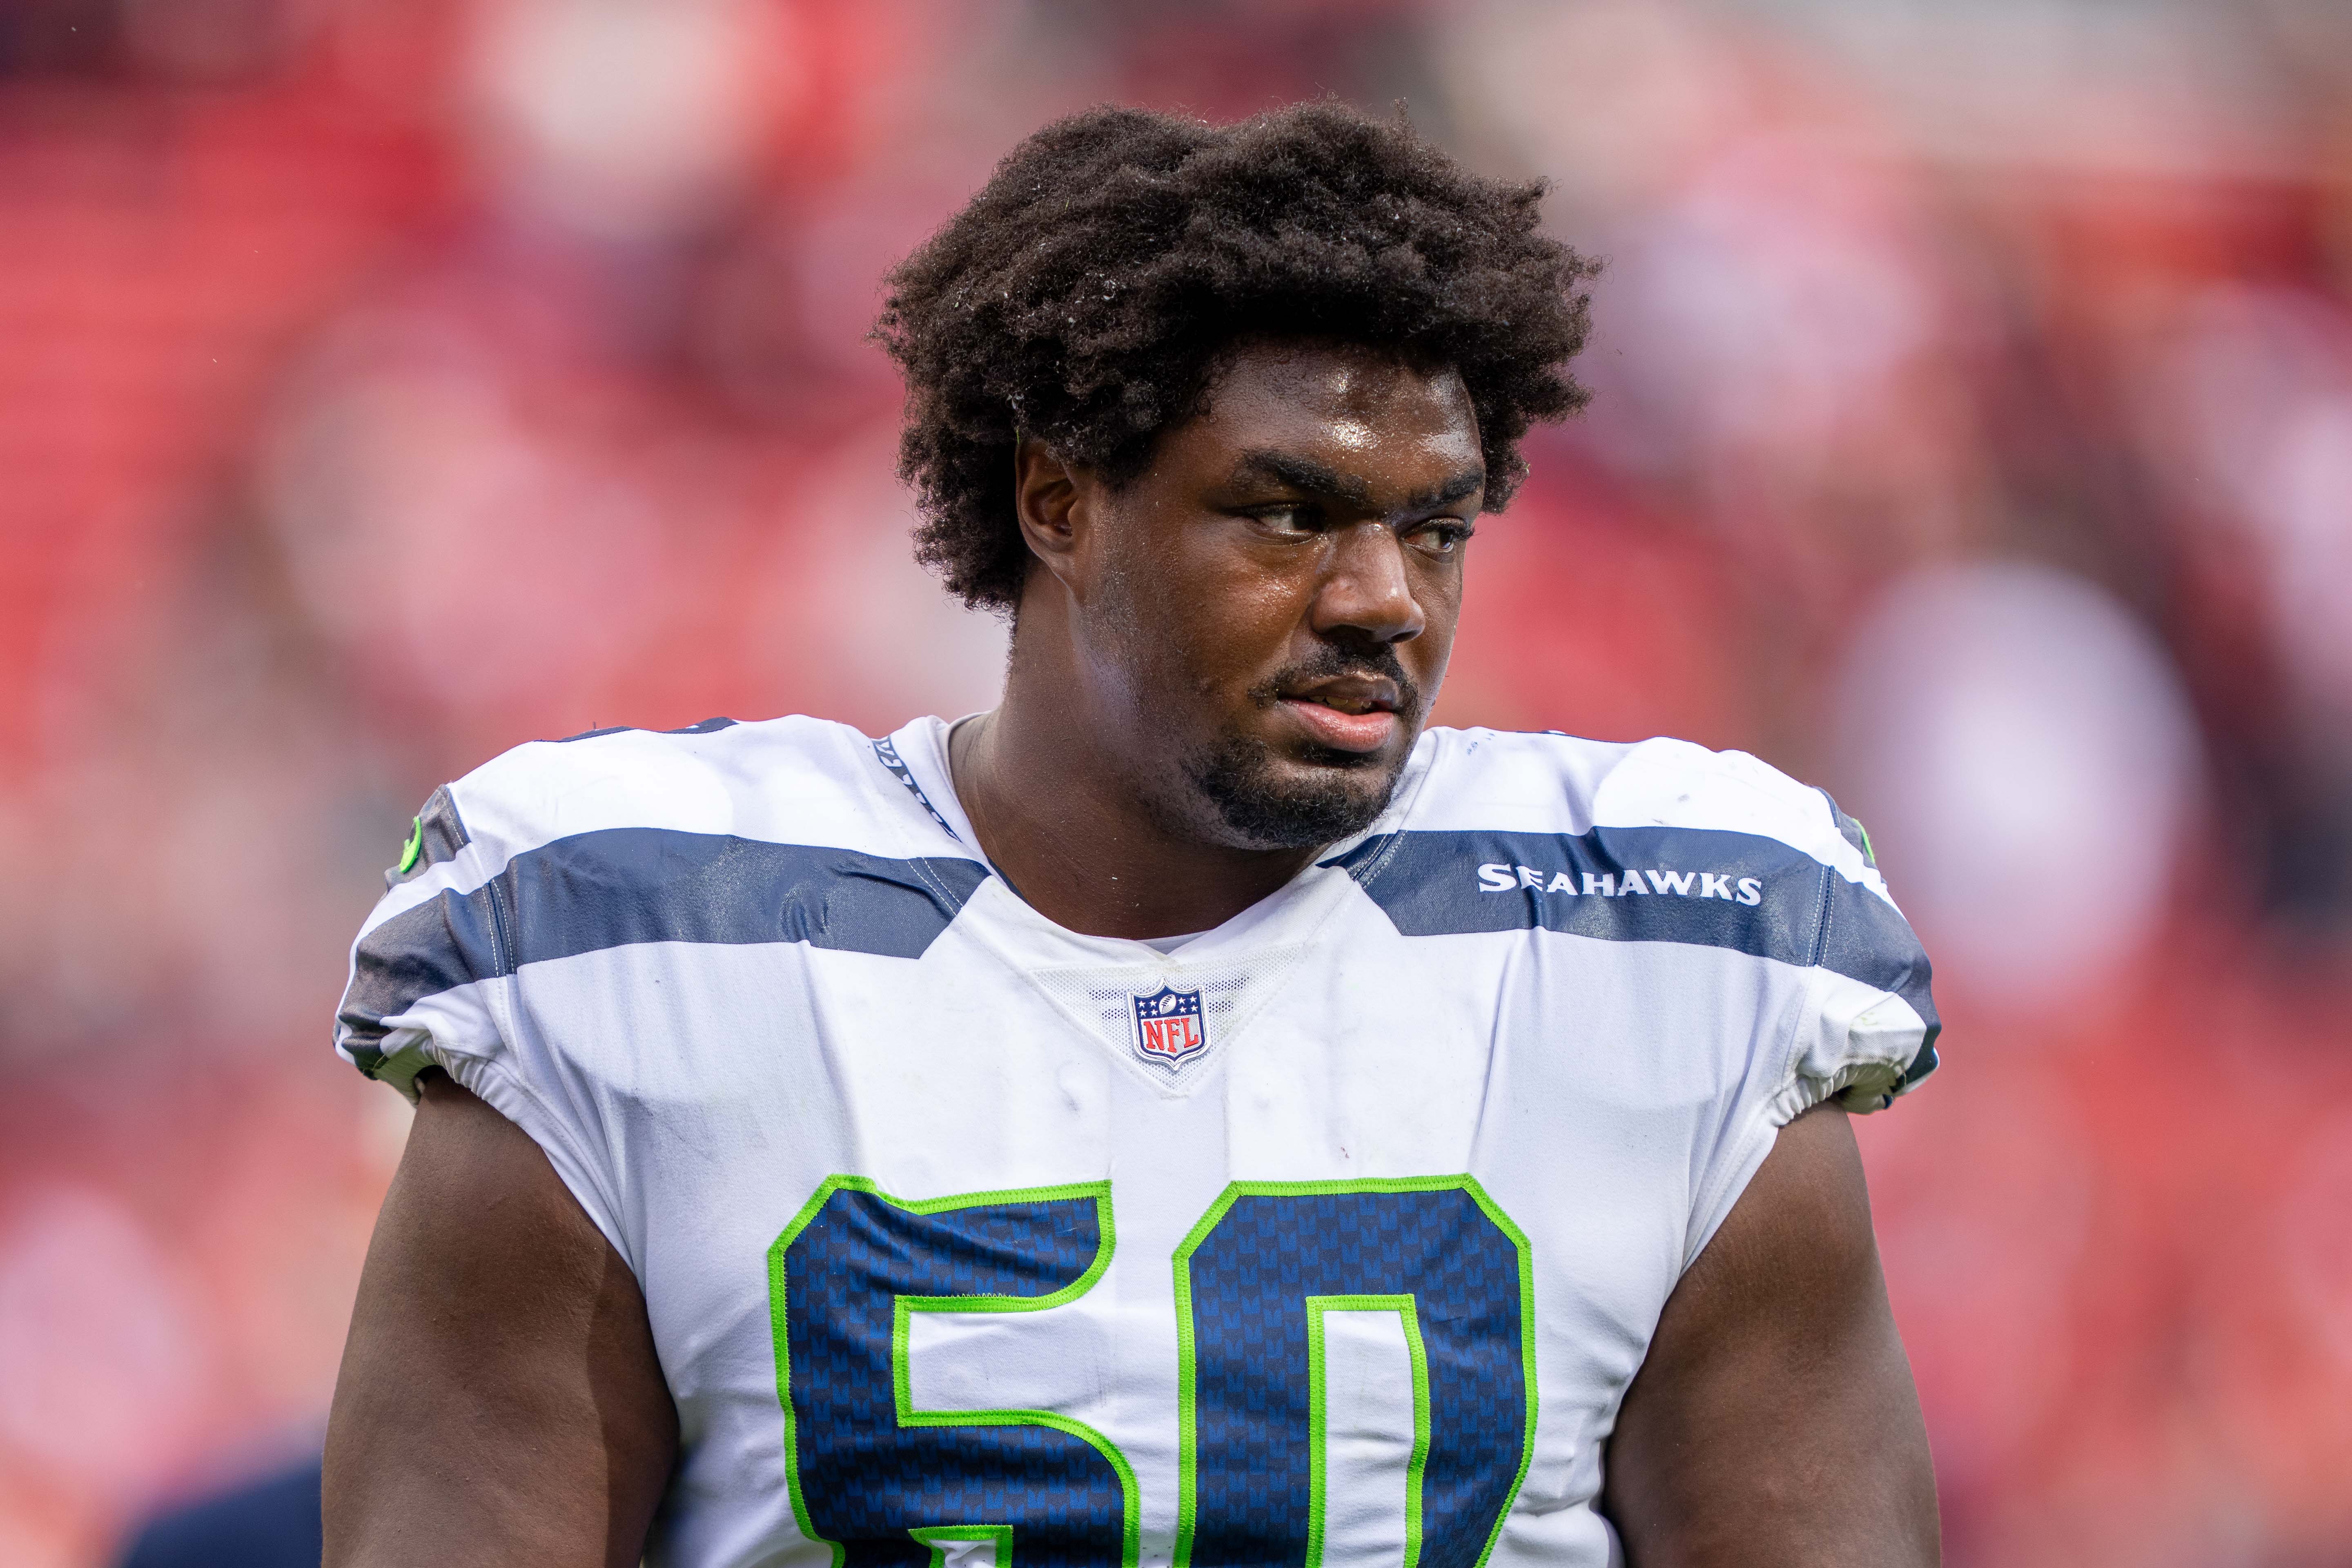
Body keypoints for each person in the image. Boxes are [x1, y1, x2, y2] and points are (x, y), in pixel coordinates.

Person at [324, 101, 1941, 1568]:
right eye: (1289, 513)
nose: (1384, 599)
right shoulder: (636, 939)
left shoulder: (1671, 943)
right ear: (1059, 502)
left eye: (1435, 529)